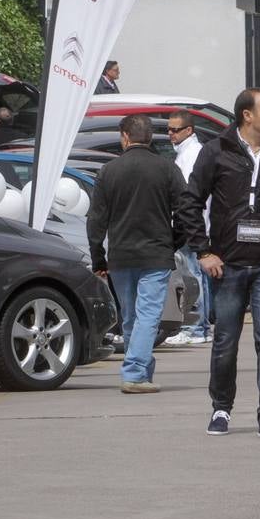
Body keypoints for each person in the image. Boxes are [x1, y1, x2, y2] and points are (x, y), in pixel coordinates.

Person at [181, 88, 260, 439]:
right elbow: (190, 202)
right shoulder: (216, 151)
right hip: (228, 264)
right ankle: (221, 408)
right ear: (247, 115)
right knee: (225, 341)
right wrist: (203, 251)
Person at [88, 115, 185, 393]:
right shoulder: (166, 169)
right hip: (155, 253)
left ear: (125, 137)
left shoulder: (108, 170)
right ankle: (135, 373)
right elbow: (186, 211)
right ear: (150, 138)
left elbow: (96, 220)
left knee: (131, 317)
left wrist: (98, 256)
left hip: (120, 255)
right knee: (148, 316)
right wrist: (174, 242)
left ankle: (139, 370)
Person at [163, 111, 215, 347]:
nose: (170, 134)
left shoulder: (190, 155)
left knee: (192, 276)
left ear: (188, 130)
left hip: (191, 224)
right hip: (196, 224)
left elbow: (188, 196)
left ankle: (195, 328)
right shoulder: (190, 152)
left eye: (175, 130)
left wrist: (184, 225)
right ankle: (201, 327)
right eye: (169, 130)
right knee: (199, 277)